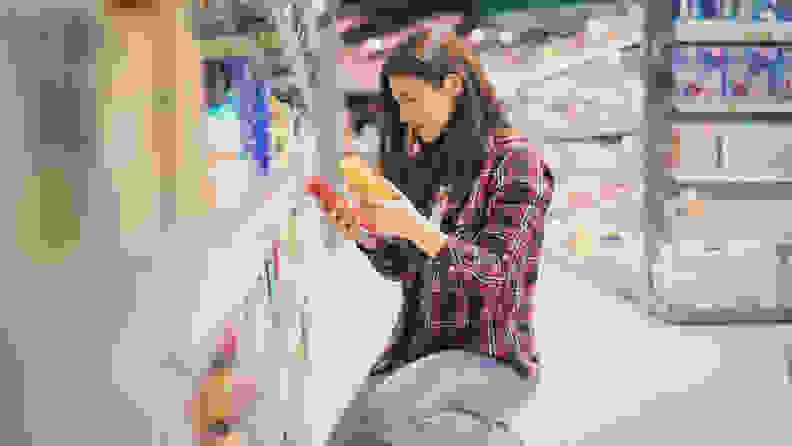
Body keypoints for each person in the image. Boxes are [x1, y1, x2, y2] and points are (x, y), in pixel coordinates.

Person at [320, 30, 555, 445]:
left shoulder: (519, 164)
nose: (405, 117)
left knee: (386, 419)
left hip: (493, 360)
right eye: (397, 104)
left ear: (451, 86)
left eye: (410, 100)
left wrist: (419, 230)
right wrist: (365, 234)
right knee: (349, 435)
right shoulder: (437, 165)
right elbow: (408, 266)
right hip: (422, 350)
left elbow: (500, 275)